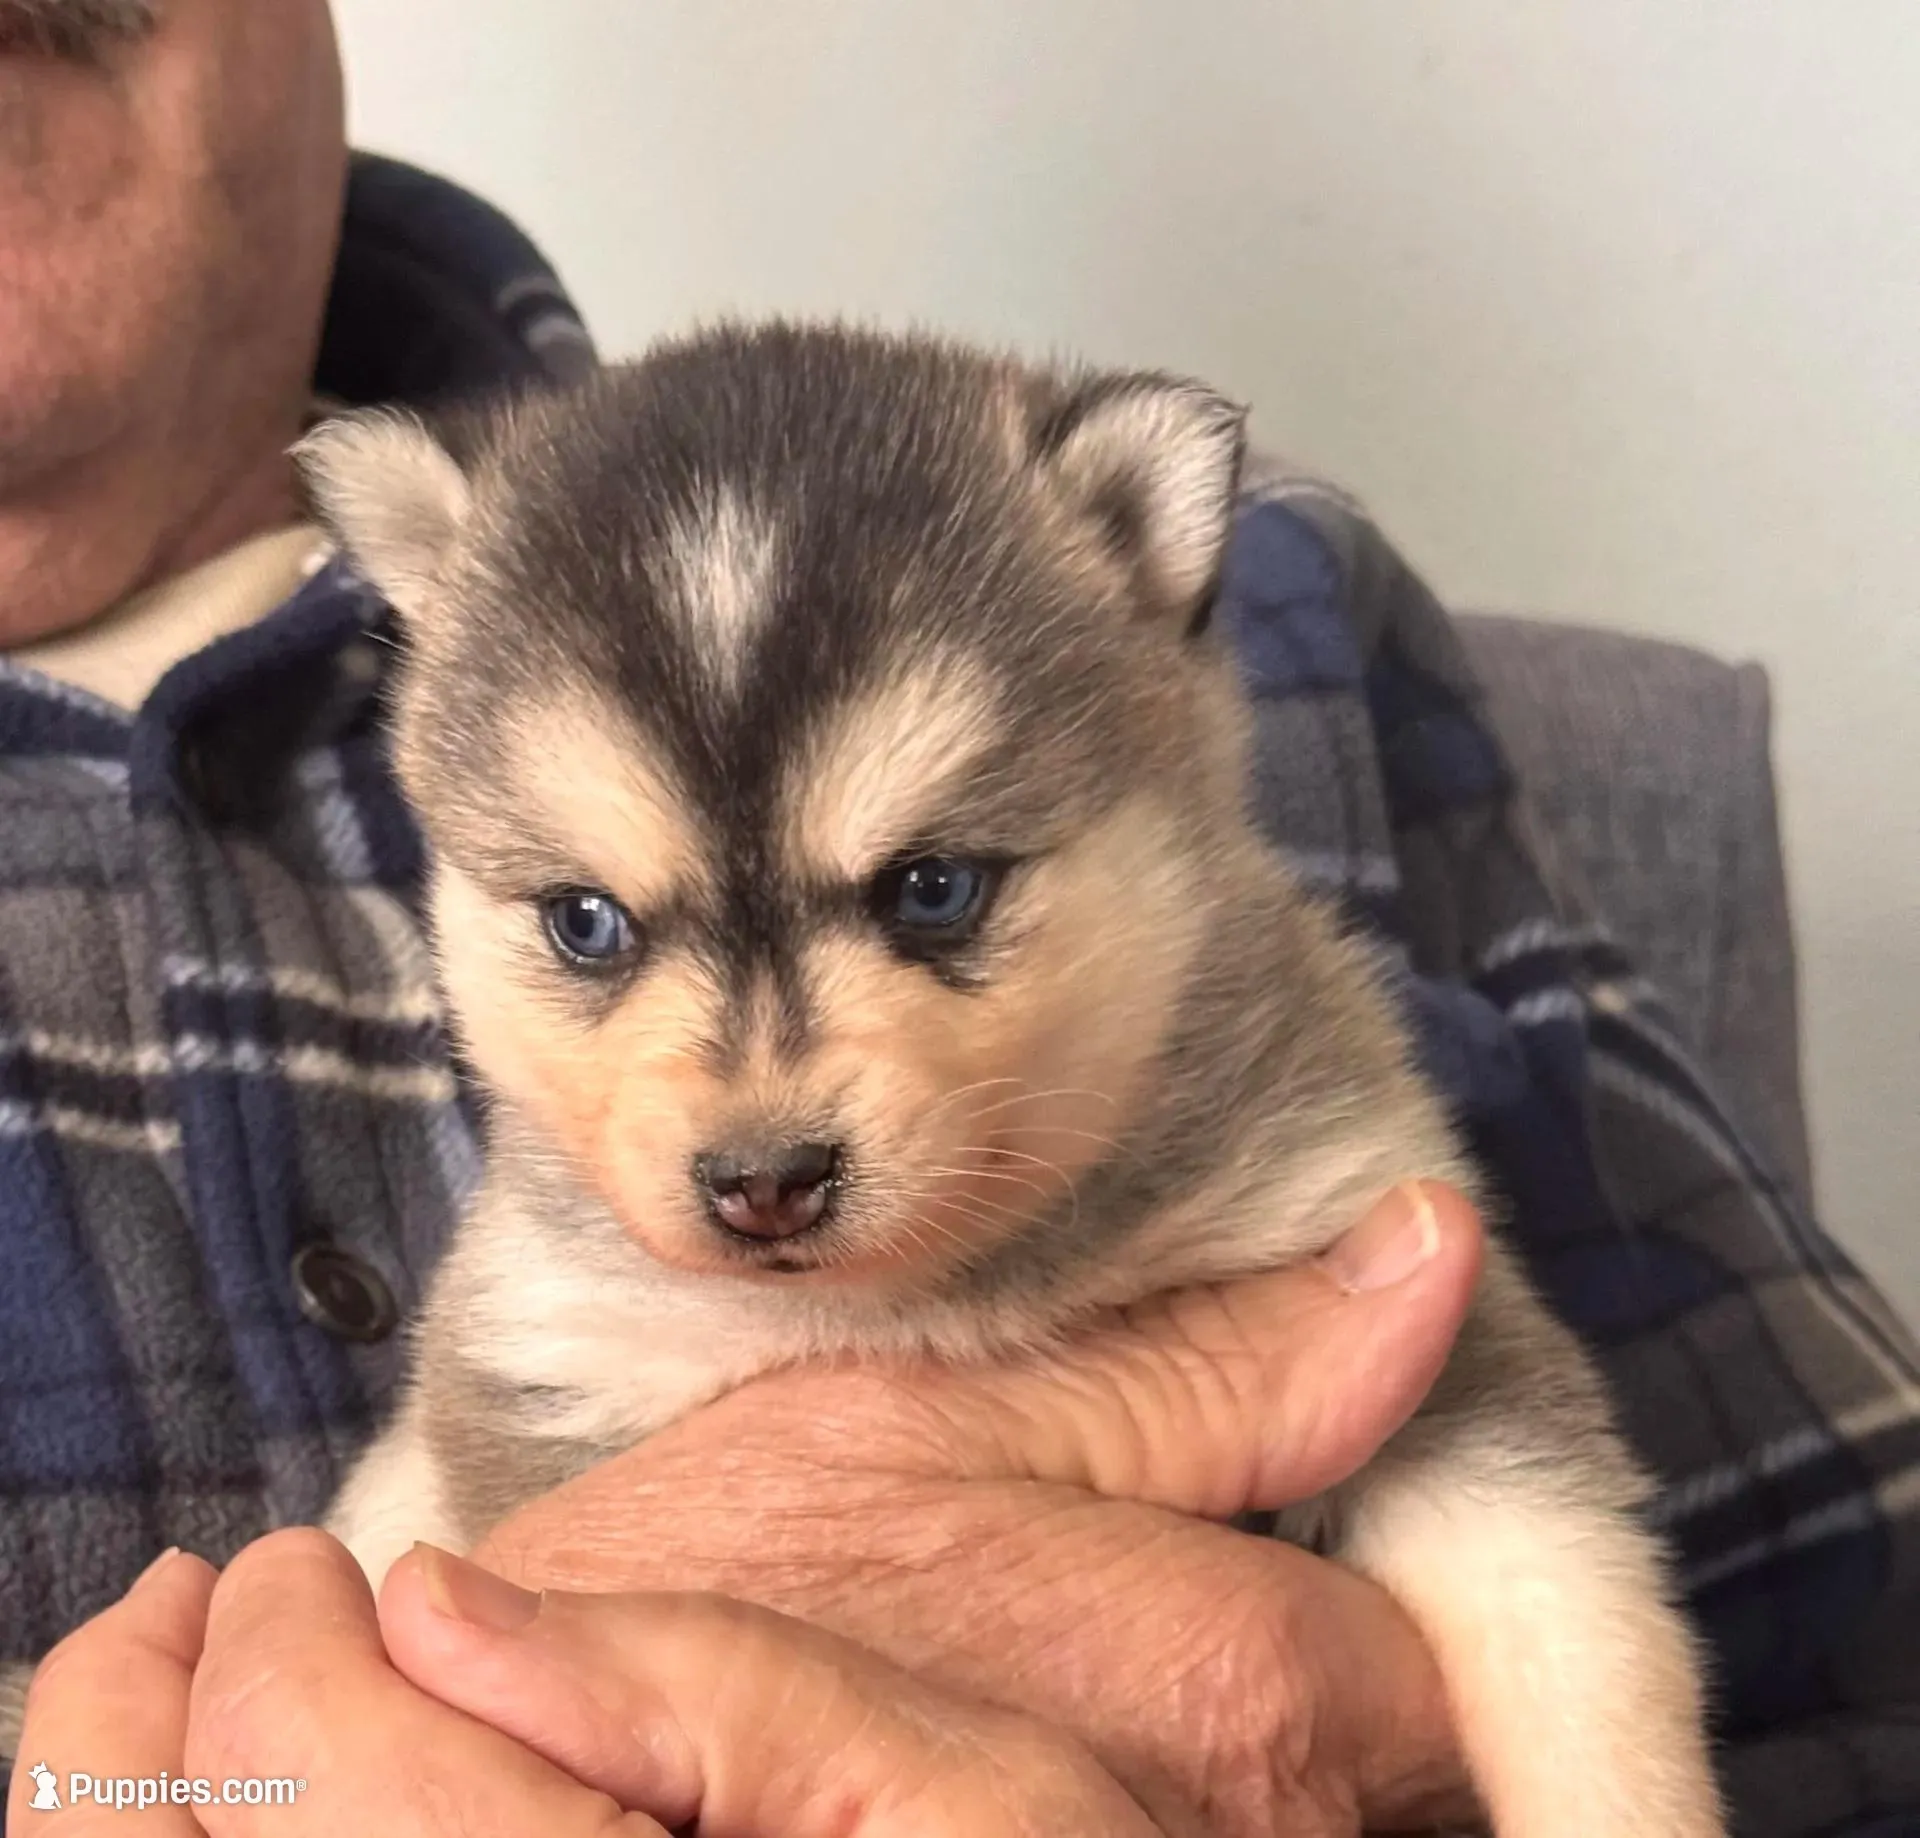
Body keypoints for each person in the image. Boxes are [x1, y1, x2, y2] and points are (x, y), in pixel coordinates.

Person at [1, 3, 1915, 1834]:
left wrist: (1391, 1760)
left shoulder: (1316, 654)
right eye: (590, 926)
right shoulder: (495, 635)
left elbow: (1774, 1614)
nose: (757, 1127)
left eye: (930, 892)